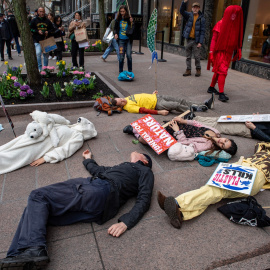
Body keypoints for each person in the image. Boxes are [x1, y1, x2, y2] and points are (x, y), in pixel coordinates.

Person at [0, 150, 154, 268]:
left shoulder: (144, 171)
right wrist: (88, 159)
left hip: (96, 190)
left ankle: (34, 248)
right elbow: (98, 170)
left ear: (144, 160)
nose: (133, 152)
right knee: (37, 212)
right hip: (98, 206)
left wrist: (125, 222)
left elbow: (144, 199)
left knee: (37, 196)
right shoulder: (122, 167)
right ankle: (17, 257)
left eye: (137, 152)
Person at [157, 141, 270, 229]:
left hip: (257, 175)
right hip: (241, 166)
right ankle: (181, 214)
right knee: (212, 189)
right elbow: (260, 144)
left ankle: (179, 204)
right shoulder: (265, 147)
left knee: (216, 190)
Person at [0, 114, 97, 175]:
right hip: (34, 138)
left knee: (15, 155)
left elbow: (67, 149)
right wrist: (26, 134)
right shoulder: (66, 125)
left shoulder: (79, 137)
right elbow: (42, 125)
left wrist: (47, 158)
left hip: (40, 148)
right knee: (10, 147)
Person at [124, 116, 237, 158]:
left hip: (177, 136)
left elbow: (186, 143)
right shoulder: (216, 131)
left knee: (145, 140)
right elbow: (197, 124)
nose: (222, 141)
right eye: (225, 140)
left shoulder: (207, 146)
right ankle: (137, 128)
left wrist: (177, 131)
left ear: (220, 148)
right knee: (159, 125)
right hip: (181, 127)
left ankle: (135, 132)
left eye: (223, 145)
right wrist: (183, 121)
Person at [207, 6, 243, 102]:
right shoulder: (220, 24)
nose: (234, 16)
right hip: (220, 52)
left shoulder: (234, 26)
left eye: (236, 15)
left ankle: (211, 87)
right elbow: (214, 39)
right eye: (233, 14)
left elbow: (236, 39)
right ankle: (221, 93)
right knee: (222, 71)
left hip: (228, 52)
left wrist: (238, 49)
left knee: (219, 71)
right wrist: (211, 52)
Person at [112, 90, 214, 116]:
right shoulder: (129, 107)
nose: (122, 100)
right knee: (176, 105)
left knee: (180, 100)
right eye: (120, 102)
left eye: (120, 98)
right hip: (157, 105)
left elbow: (142, 97)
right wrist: (159, 112)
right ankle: (193, 109)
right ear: (120, 106)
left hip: (157, 96)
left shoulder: (126, 98)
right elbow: (143, 110)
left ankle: (202, 104)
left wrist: (152, 94)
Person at [190, 115, 270, 142]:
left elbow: (268, 138)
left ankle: (191, 122)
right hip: (255, 121)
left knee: (221, 126)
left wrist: (253, 128)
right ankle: (196, 118)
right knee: (222, 119)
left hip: (250, 130)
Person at [180, 1, 205, 77]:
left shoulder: (202, 19)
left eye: (197, 7)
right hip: (189, 39)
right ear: (192, 8)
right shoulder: (189, 15)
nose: (195, 9)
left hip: (196, 41)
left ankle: (198, 69)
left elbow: (202, 31)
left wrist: (200, 42)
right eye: (194, 7)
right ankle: (188, 70)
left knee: (197, 57)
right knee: (188, 56)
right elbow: (181, 11)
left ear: (199, 9)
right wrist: (183, 3)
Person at [30, 7, 55, 72]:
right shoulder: (34, 20)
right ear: (38, 12)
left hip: (45, 40)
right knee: (38, 53)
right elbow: (30, 28)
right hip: (37, 40)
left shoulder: (47, 21)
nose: (42, 13)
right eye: (40, 11)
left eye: (43, 12)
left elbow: (52, 29)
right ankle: (40, 68)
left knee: (46, 55)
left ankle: (45, 68)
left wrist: (48, 32)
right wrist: (37, 31)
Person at [114, 5, 135, 73]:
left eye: (123, 11)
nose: (122, 13)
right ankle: (120, 72)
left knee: (129, 55)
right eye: (121, 11)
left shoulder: (129, 19)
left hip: (128, 40)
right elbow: (115, 28)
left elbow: (133, 29)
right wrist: (115, 34)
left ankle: (130, 71)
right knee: (121, 57)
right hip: (121, 40)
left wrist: (132, 22)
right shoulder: (118, 20)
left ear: (126, 11)